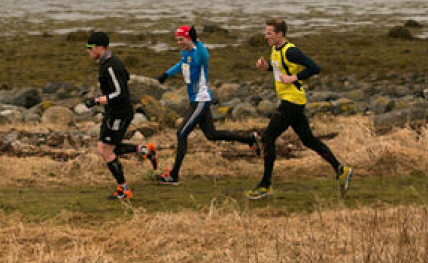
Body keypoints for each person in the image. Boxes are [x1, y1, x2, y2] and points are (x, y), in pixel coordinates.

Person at [246, 18, 352, 200]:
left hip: (292, 102)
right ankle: (341, 170)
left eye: (269, 33)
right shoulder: (275, 50)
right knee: (308, 140)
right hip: (292, 100)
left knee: (268, 138)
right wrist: (267, 68)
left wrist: (294, 77)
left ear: (280, 34)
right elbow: (281, 69)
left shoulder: (291, 51)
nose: (266, 36)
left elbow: (314, 68)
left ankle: (265, 185)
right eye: (265, 33)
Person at [154, 24, 260, 185]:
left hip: (201, 99)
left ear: (189, 38)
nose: (178, 42)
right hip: (194, 99)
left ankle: (174, 175)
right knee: (212, 134)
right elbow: (182, 65)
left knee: (181, 134)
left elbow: (205, 55)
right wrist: (166, 74)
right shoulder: (186, 52)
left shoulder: (199, 53)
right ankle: (249, 139)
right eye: (176, 40)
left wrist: (197, 39)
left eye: (181, 39)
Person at [84, 31, 158, 201]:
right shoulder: (107, 63)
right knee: (108, 148)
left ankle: (124, 190)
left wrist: (96, 101)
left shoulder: (110, 65)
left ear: (99, 48)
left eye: (89, 48)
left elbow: (120, 93)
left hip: (119, 113)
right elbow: (126, 77)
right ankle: (145, 150)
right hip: (113, 112)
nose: (88, 51)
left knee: (105, 149)